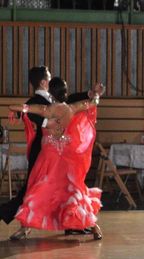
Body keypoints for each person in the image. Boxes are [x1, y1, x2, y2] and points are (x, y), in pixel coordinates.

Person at [7, 94, 103, 240]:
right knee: (73, 194)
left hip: (48, 163)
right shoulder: (72, 108)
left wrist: (20, 109)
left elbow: (16, 107)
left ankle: (25, 228)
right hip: (67, 163)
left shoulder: (46, 110)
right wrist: (96, 96)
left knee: (37, 193)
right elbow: (92, 103)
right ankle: (94, 227)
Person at [0, 66, 52, 234]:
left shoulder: (38, 101)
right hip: (43, 150)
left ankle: (23, 223)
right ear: (43, 82)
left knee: (45, 186)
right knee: (32, 187)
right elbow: (43, 122)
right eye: (49, 78)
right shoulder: (33, 103)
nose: (51, 81)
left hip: (48, 149)